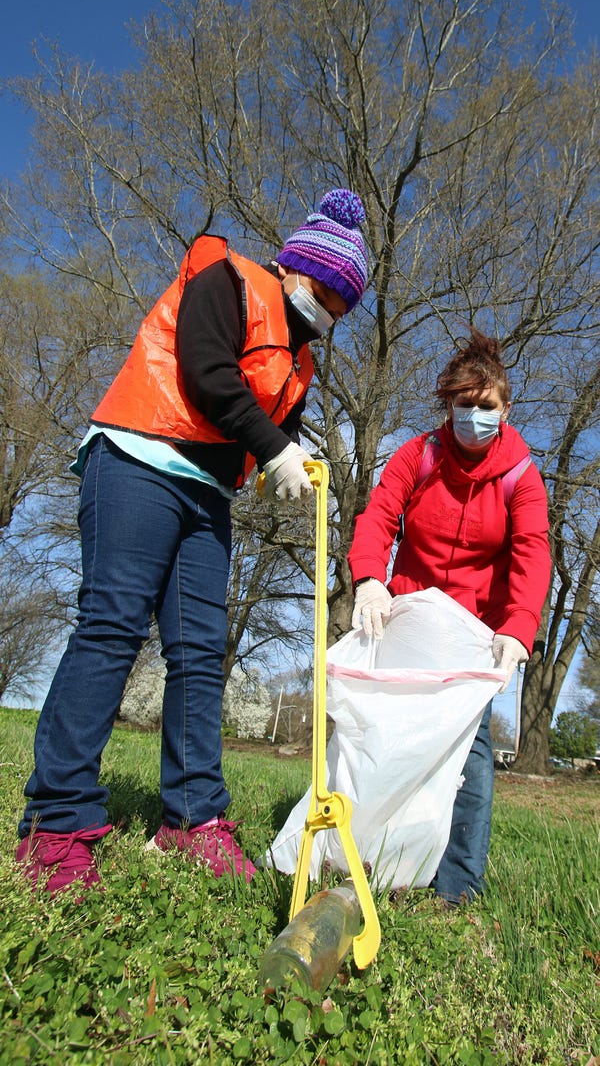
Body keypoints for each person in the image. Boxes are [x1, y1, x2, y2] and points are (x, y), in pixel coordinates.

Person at [16, 188, 369, 896]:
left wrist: (292, 459)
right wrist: (273, 449)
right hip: (139, 460)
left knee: (201, 654)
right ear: (295, 266)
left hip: (207, 494)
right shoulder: (226, 277)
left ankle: (191, 819)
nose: (328, 310)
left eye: (342, 305)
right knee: (113, 627)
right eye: (325, 290)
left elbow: (276, 428)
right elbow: (208, 375)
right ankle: (56, 823)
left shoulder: (300, 362)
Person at [348, 329, 551, 905]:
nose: (475, 417)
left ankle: (457, 888)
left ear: (506, 410)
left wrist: (519, 627)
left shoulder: (522, 476)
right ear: (448, 405)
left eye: (487, 407)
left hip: (473, 634)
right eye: (465, 405)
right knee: (387, 741)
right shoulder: (418, 456)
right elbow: (380, 514)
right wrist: (368, 577)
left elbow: (533, 552)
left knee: (472, 752)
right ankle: (372, 859)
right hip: (408, 620)